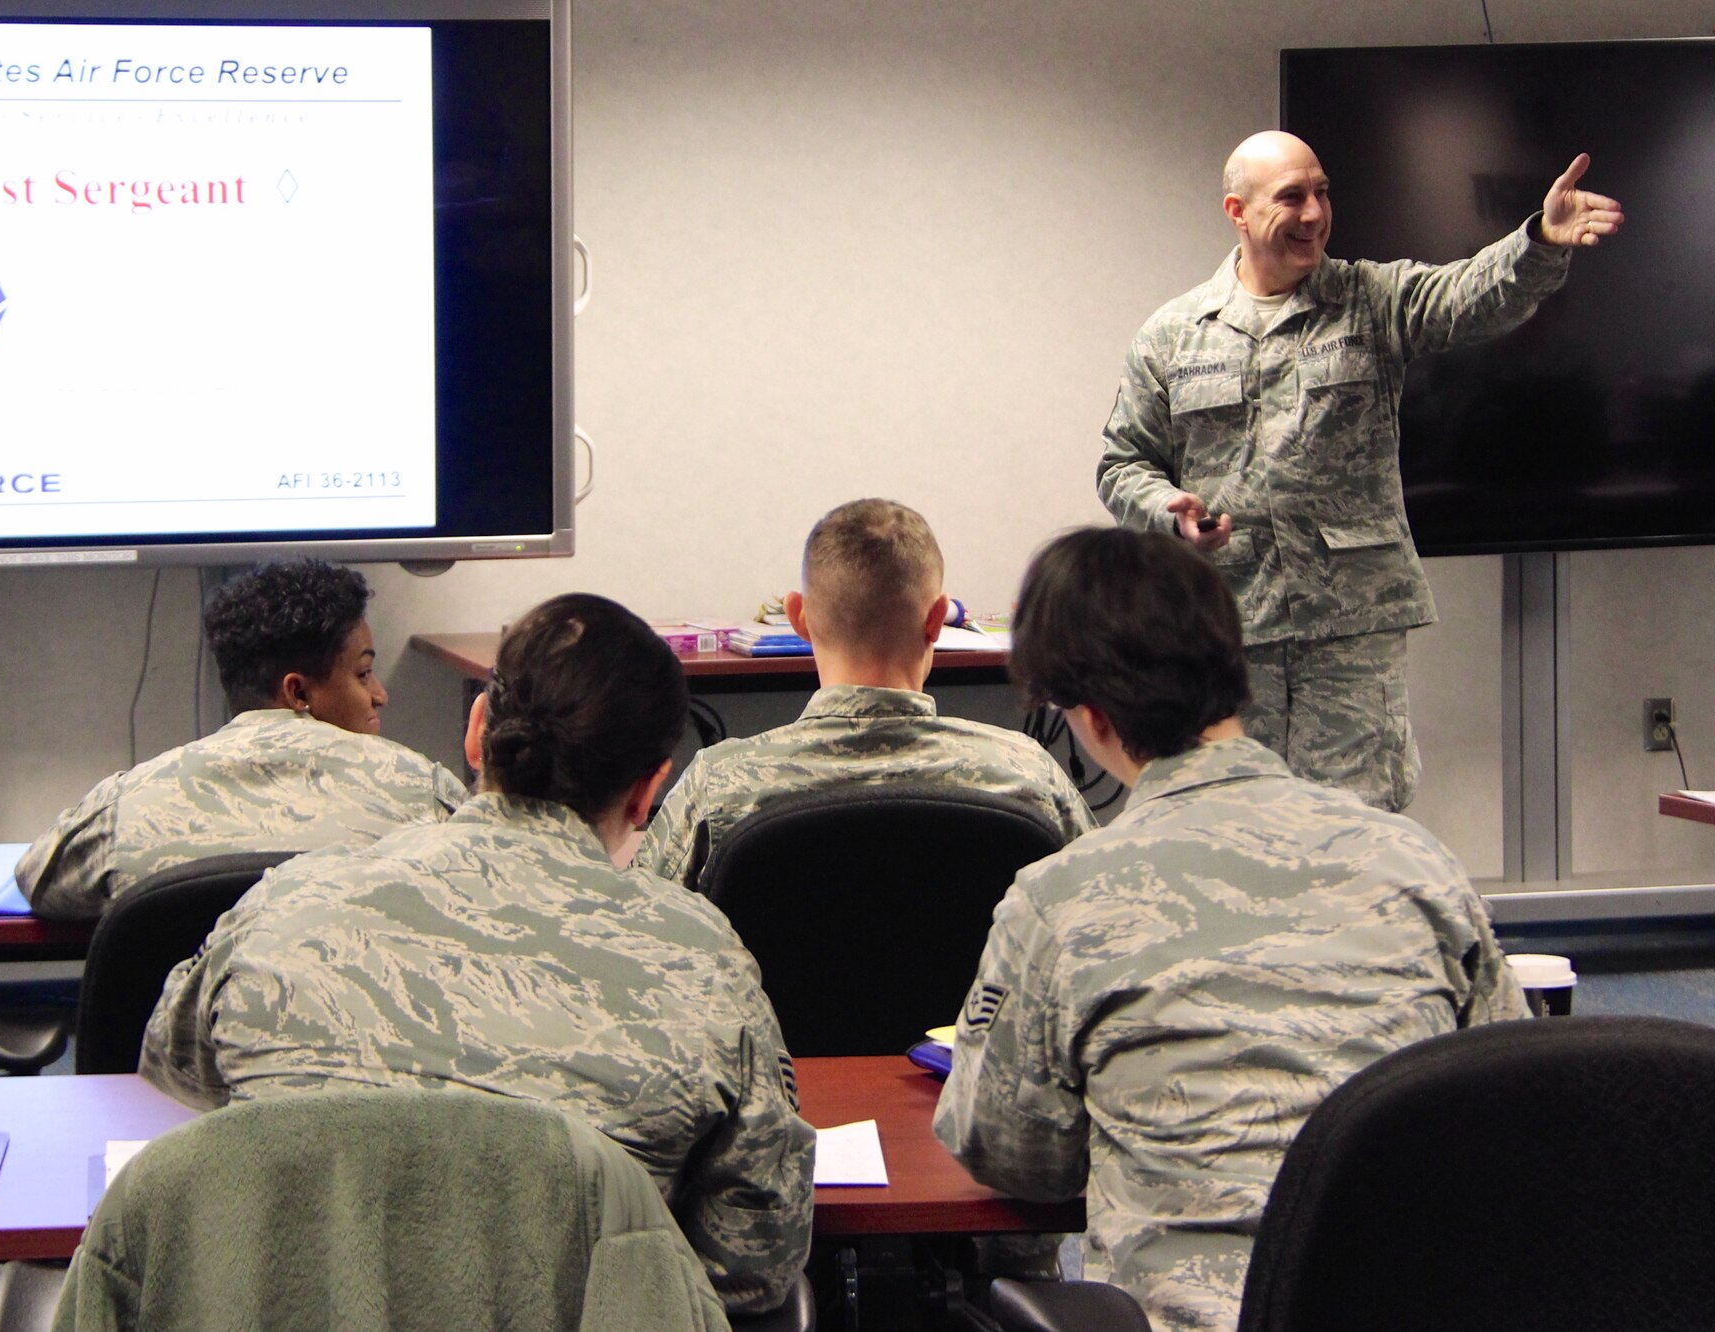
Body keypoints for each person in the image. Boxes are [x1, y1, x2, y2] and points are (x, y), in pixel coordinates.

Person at [140, 592, 815, 1316]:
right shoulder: (701, 958)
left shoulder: (286, 903)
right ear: (650, 789)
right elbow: (753, 1262)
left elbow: (178, 1074)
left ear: (476, 733)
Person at [934, 527, 1526, 1332]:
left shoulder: (1061, 899)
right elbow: (1510, 1097)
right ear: (1231, 666)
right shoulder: (1416, 862)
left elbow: (1009, 1154)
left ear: (1092, 714)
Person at [1097, 131, 1624, 812]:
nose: (1315, 213)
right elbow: (1123, 462)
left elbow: (1468, 295)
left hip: (1348, 636)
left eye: (1322, 192)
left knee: (1355, 828)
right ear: (1237, 210)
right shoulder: (1174, 334)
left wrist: (1539, 244)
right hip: (1224, 632)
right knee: (1228, 825)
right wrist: (1165, 510)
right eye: (1293, 197)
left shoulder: (1371, 301)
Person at [638, 498, 1094, 887]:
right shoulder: (1027, 776)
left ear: (798, 617)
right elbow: (1101, 920)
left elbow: (644, 932)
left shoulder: (717, 788)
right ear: (937, 619)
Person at [16, 559, 467, 919]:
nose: (379, 695)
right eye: (364, 673)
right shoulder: (423, 791)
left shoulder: (128, 804)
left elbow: (40, 881)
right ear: (298, 692)